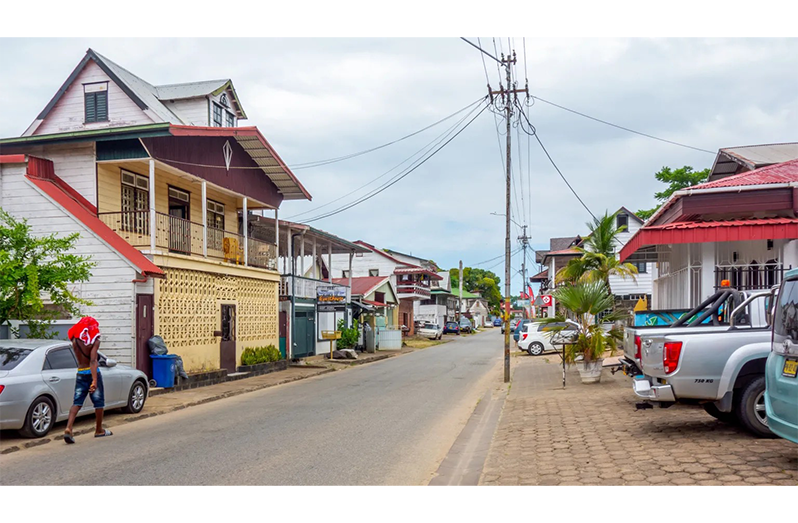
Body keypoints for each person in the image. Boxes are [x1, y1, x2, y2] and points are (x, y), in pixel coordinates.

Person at [63, 317, 112, 444]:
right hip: (92, 373)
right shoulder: (94, 341)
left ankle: (68, 428)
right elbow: (93, 361)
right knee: (99, 403)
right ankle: (99, 430)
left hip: (80, 372)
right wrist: (94, 381)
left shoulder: (74, 340)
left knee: (77, 402)